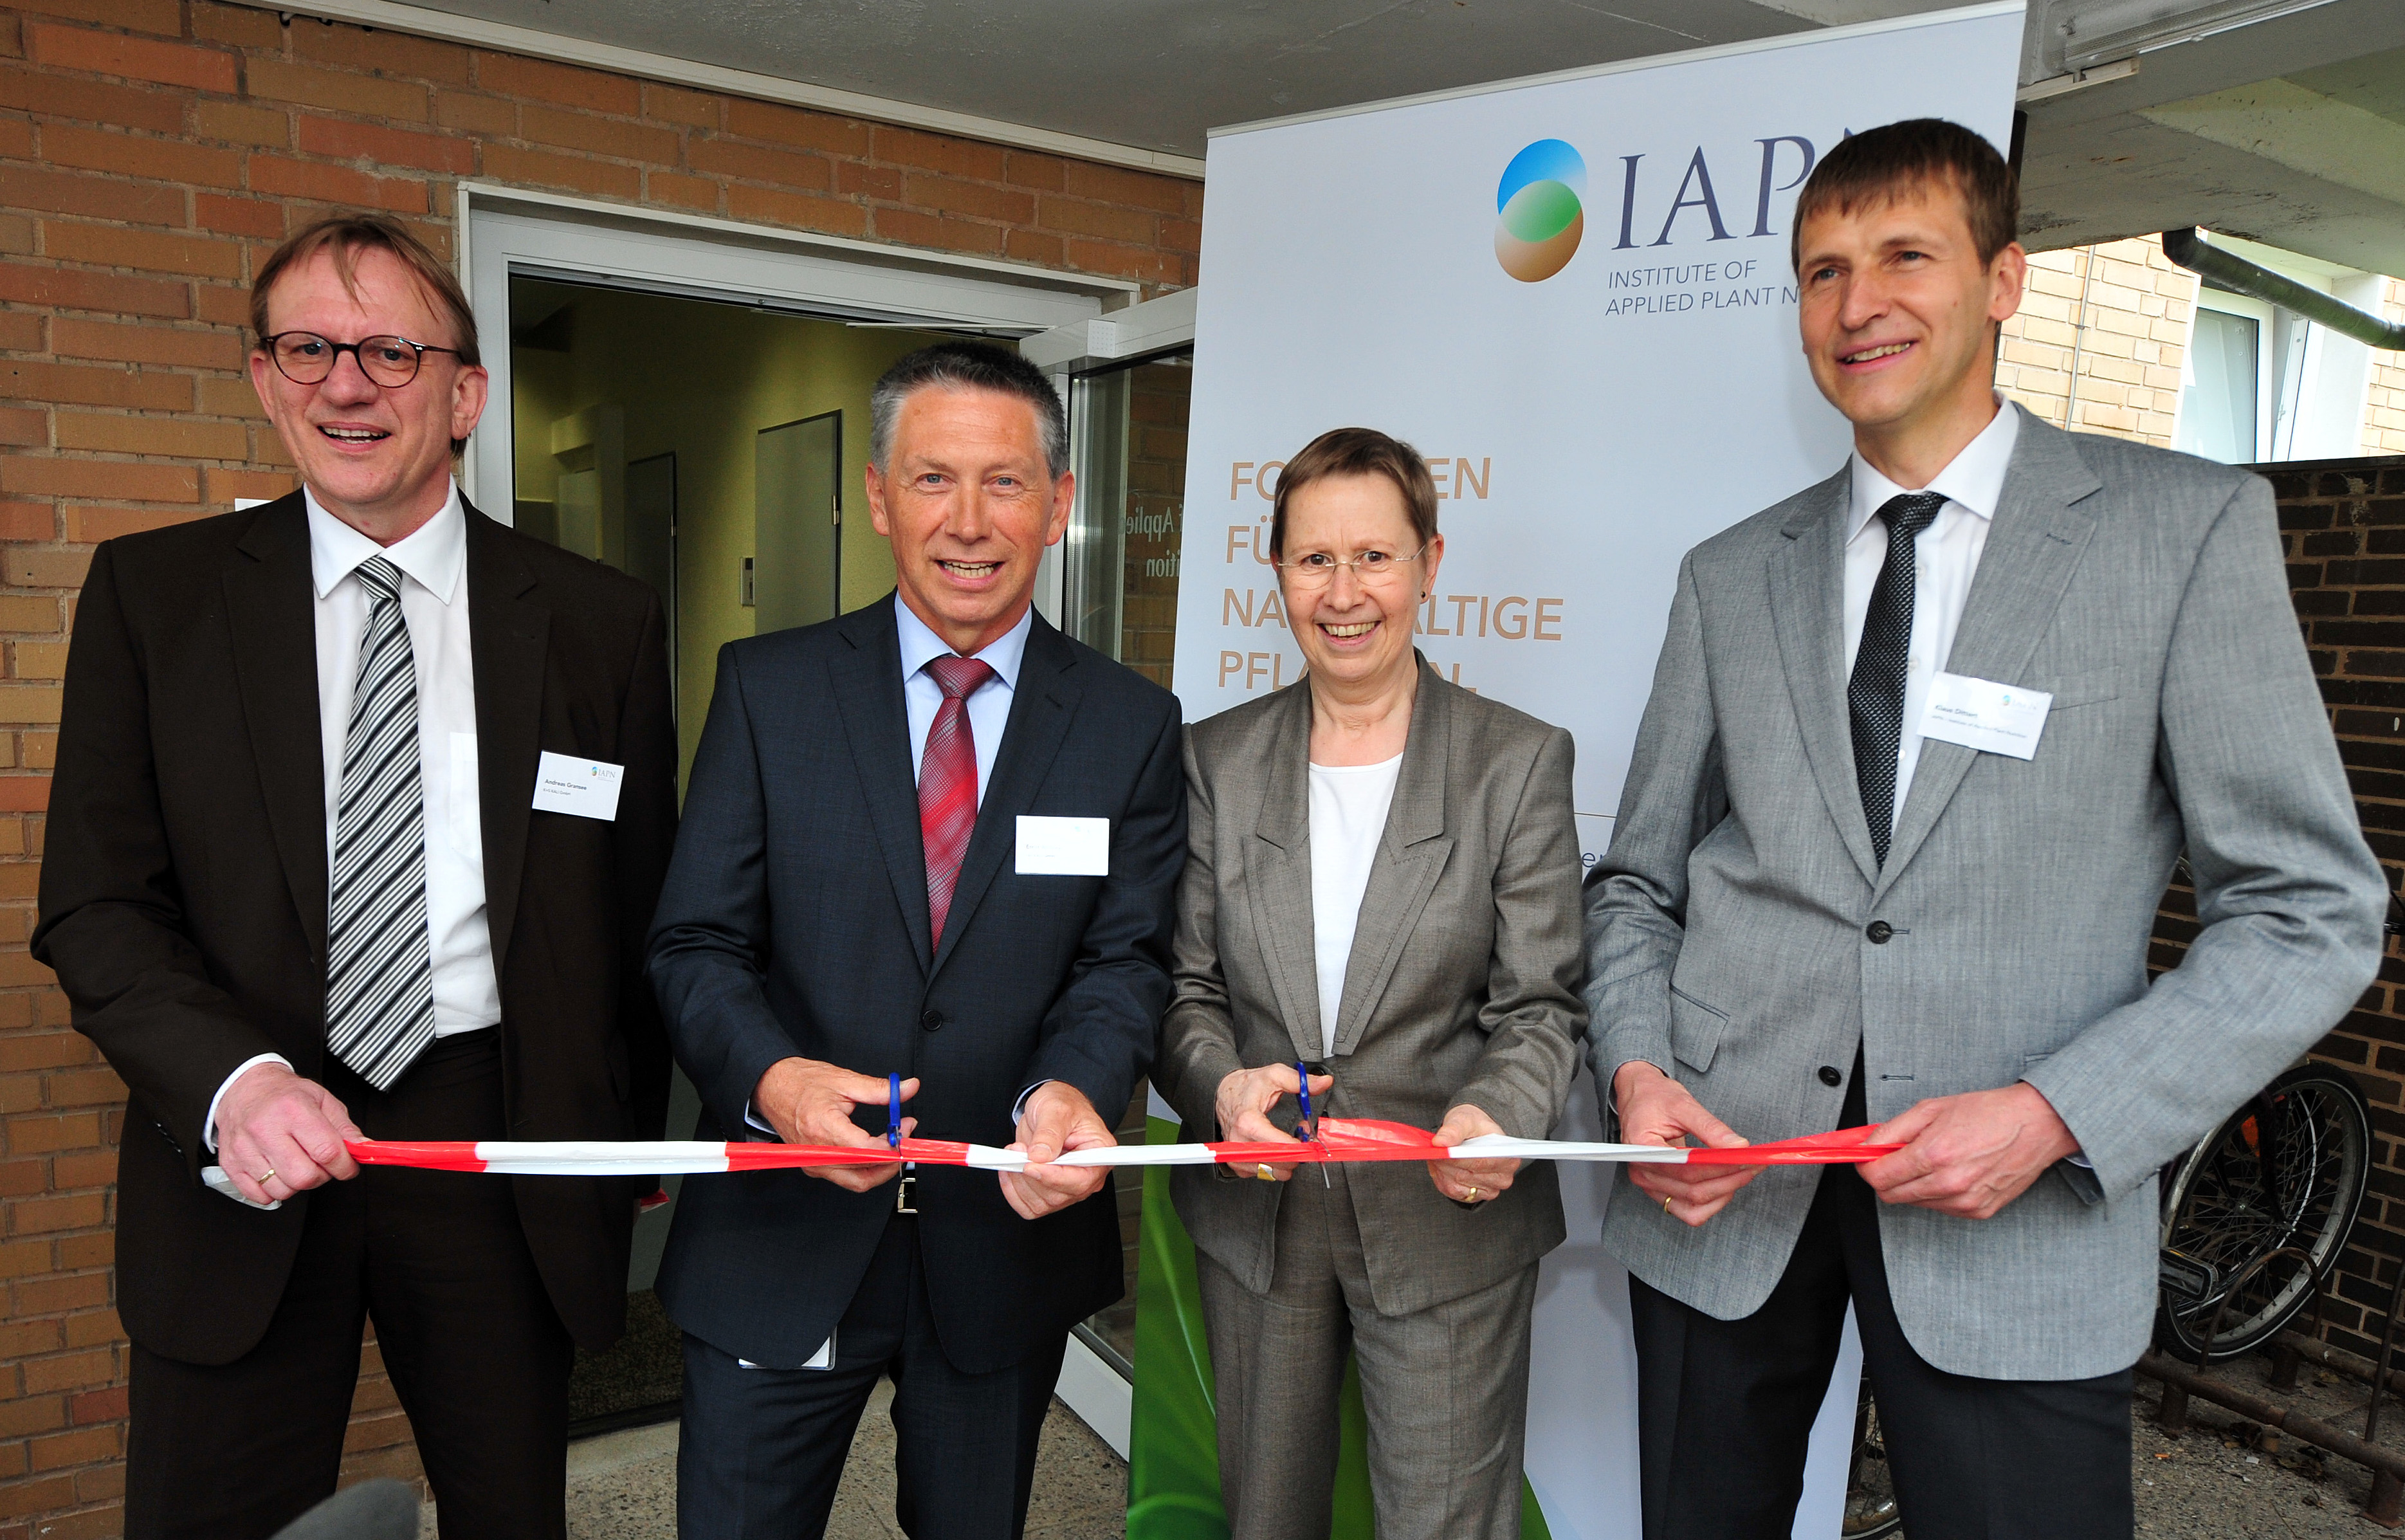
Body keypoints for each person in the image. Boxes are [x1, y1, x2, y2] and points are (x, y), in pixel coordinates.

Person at [1584, 118, 2388, 1539]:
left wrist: (2058, 1116)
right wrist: (1639, 1072)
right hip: (1723, 1186)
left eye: (1906, 256)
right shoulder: (1730, 574)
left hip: (2018, 1210)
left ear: (2005, 279)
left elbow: (2307, 910)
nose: (1858, 305)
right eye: (1823, 271)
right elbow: (1637, 882)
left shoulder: (2181, 533)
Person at [33, 214, 678, 1539]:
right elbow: (96, 906)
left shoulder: (597, 621)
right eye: (309, 348)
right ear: (265, 379)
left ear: (465, 396)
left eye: (391, 351)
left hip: (496, 1138)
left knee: (510, 1510)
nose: (346, 383)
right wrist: (234, 1082)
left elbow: (632, 909)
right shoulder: (155, 597)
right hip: (243, 1138)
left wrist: (630, 1136)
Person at [648, 340, 1186, 1540]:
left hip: (1003, 1246)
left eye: (1006, 482)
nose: (969, 521)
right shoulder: (770, 690)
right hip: (780, 1234)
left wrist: (1070, 1087)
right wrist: (775, 1083)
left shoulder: (1130, 724)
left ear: (1060, 504)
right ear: (882, 496)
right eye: (934, 478)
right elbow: (694, 943)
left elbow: (1124, 960)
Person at [1156, 427, 1586, 1540]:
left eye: (1374, 558)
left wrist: (1501, 1110)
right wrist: (1222, 1088)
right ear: (1278, 572)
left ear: (1430, 562)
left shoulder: (1515, 761)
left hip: (1446, 1220)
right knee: (1266, 1519)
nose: (1344, 594)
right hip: (1261, 1221)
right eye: (1315, 560)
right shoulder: (1214, 759)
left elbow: (1540, 1001)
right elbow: (1185, 990)